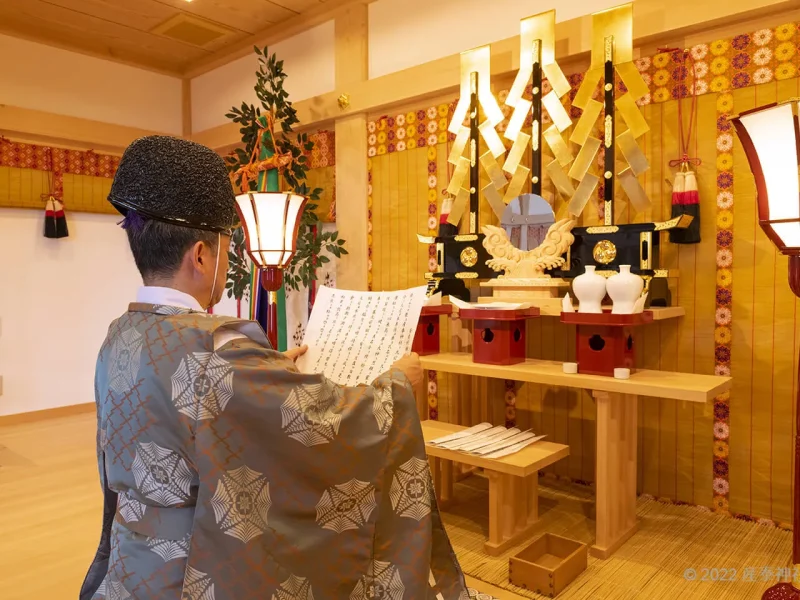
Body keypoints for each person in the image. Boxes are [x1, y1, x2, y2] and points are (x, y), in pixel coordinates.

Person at [79, 136, 469, 600]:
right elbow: (326, 423)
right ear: (201, 256)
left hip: (131, 566)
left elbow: (183, 410)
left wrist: (266, 369)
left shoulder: (119, 334)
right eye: (227, 246)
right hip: (191, 570)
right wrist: (397, 387)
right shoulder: (219, 349)